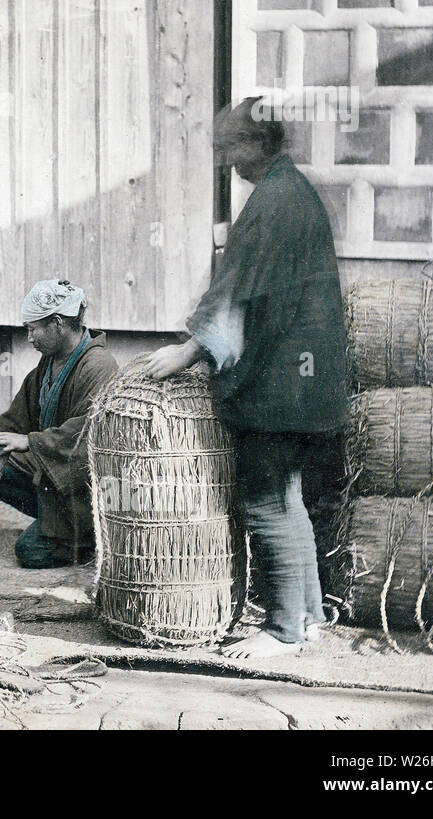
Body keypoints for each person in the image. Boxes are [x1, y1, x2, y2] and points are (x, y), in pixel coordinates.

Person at [144, 96, 348, 659]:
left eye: (228, 146)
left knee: (265, 501)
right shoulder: (291, 192)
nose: (223, 159)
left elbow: (240, 292)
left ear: (259, 145)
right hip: (308, 381)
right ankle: (306, 618)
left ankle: (281, 629)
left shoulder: (275, 201)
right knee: (288, 498)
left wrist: (189, 351)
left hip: (283, 384)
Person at [0, 279, 118, 568]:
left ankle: (86, 541)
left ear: (57, 323)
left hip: (83, 492)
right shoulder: (48, 363)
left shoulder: (99, 366)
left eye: (33, 328)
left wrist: (30, 442)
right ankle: (51, 522)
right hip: (54, 476)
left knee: (30, 552)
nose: (29, 337)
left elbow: (89, 433)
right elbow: (16, 418)